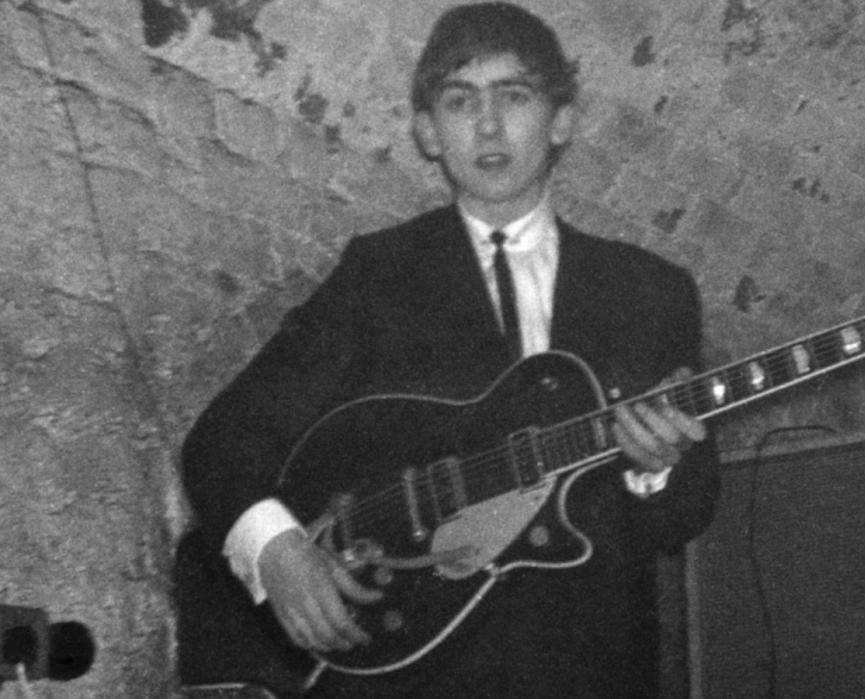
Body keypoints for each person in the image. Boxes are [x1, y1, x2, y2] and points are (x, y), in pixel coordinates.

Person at [176, 3, 720, 697]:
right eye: (460, 102)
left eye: (514, 96)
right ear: (428, 133)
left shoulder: (651, 290)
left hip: (588, 667)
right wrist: (279, 553)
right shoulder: (377, 274)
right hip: (413, 676)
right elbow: (222, 441)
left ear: (562, 121)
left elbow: (686, 514)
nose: (488, 126)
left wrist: (655, 470)